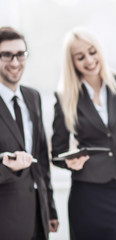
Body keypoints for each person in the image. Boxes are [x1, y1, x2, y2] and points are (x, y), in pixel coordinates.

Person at [51, 28, 116, 240]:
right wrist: (69, 161)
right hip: (87, 189)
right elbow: (57, 153)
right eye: (80, 56)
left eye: (92, 52)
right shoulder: (65, 96)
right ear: (72, 62)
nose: (89, 60)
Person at [0, 26, 58, 240]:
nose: (14, 62)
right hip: (5, 217)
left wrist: (49, 208)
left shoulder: (32, 97)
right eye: (6, 55)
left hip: (37, 215)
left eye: (20, 54)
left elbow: (41, 156)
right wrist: (6, 166)